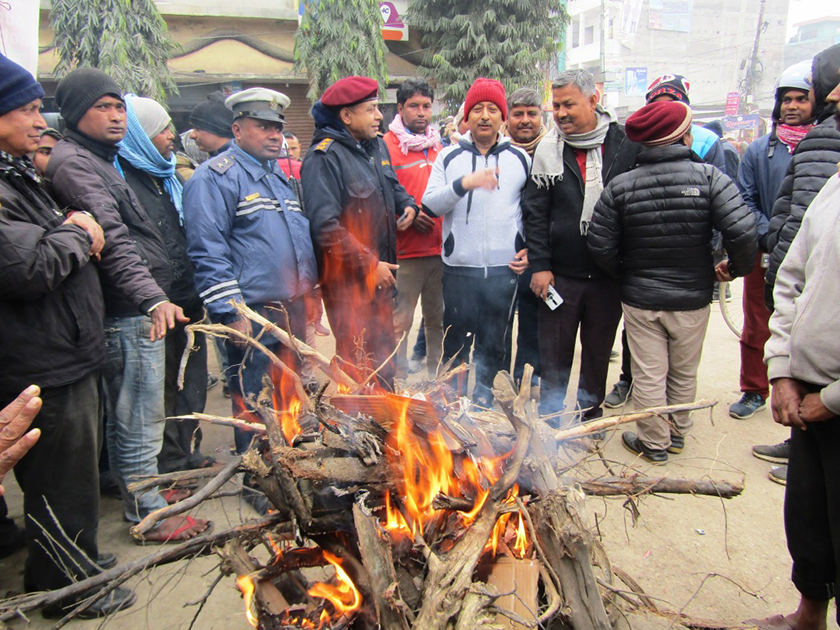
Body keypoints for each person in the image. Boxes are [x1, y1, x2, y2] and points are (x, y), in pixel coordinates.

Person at [46, 67, 210, 543]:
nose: (117, 117)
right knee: (139, 415)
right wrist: (151, 297)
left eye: (120, 107)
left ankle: (142, 493)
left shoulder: (98, 158)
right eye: (103, 107)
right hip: (127, 311)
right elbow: (114, 240)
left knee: (132, 413)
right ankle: (148, 511)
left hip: (132, 307)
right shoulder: (77, 164)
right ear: (77, 114)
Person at [0, 54, 136, 614]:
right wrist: (80, 234)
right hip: (41, 362)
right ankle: (65, 587)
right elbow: (25, 267)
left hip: (64, 350)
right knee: (62, 478)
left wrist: (73, 232)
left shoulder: (17, 173)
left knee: (72, 475)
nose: (40, 121)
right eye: (28, 109)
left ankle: (74, 557)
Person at [588, 100, 756, 463]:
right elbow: (743, 231)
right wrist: (734, 267)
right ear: (684, 136)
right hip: (692, 297)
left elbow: (599, 244)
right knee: (683, 370)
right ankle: (677, 434)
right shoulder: (710, 179)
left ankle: (654, 443)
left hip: (641, 298)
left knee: (649, 374)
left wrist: (625, 272)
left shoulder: (621, 185)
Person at [184, 87, 318, 457]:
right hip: (252, 311)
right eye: (263, 127)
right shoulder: (214, 178)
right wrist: (231, 312)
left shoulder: (279, 178)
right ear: (238, 130)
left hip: (290, 308)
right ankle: (257, 477)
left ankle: (290, 463)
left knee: (288, 393)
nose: (274, 135)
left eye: (277, 128)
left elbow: (297, 242)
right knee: (255, 397)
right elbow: (207, 251)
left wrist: (310, 296)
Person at [759, 74, 840, 630]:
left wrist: (834, 399)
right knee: (809, 520)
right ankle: (809, 613)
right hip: (806, 396)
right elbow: (792, 279)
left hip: (833, 401)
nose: (831, 106)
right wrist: (783, 370)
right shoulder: (834, 187)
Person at [522, 69, 642, 426]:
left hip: (608, 275)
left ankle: (590, 417)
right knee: (554, 354)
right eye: (555, 106)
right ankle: (550, 418)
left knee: (597, 352)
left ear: (593, 100)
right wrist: (540, 265)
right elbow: (535, 214)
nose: (560, 114)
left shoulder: (624, 143)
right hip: (561, 276)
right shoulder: (548, 149)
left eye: (568, 104)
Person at [605, 72, 730, 409]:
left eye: (671, 105)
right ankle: (671, 431)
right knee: (661, 365)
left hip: (679, 277)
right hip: (655, 280)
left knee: (662, 368)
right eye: (656, 105)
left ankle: (656, 439)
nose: (663, 112)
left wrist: (718, 257)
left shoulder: (707, 148)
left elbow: (728, 215)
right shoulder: (633, 147)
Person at [116, 95, 212, 476]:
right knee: (163, 389)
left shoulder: (165, 176)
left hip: (186, 297)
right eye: (162, 130)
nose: (172, 136)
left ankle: (187, 451)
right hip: (155, 305)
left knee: (191, 380)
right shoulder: (124, 180)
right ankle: (169, 464)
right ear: (139, 136)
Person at [301, 76, 417, 388]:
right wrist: (368, 264)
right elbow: (325, 227)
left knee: (383, 360)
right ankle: (358, 428)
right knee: (358, 363)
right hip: (349, 289)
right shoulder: (323, 159)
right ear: (346, 116)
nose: (380, 116)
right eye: (372, 109)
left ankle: (388, 426)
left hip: (380, 281)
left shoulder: (375, 145)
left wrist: (407, 204)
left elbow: (390, 183)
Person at [422, 78, 530, 406]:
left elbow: (529, 212)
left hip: (503, 270)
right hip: (459, 268)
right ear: (466, 117)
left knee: (494, 345)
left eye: (493, 109)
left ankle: (483, 408)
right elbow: (430, 204)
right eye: (477, 109)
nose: (485, 116)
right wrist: (465, 183)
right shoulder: (448, 157)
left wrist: (528, 248)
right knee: (456, 343)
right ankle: (453, 408)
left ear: (503, 118)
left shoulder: (520, 158)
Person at [728, 61, 815, 426]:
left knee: (809, 326)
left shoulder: (822, 145)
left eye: (801, 99)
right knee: (758, 323)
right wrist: (768, 236)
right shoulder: (758, 150)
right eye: (786, 100)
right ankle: (754, 389)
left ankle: (808, 396)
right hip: (765, 250)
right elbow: (746, 200)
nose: (792, 106)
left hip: (814, 253)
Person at [383, 77, 444, 379]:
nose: (421, 112)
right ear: (400, 108)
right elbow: (381, 194)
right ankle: (399, 381)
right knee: (400, 323)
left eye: (426, 106)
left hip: (439, 252)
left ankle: (437, 379)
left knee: (437, 321)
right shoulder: (386, 147)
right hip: (404, 254)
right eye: (414, 106)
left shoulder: (439, 146)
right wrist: (406, 212)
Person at [504, 87, 547, 387]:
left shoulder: (554, 151)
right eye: (518, 113)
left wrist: (535, 249)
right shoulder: (496, 152)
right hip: (503, 254)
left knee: (533, 324)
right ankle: (499, 382)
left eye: (532, 113)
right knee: (501, 322)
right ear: (507, 118)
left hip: (538, 255)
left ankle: (526, 383)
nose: (525, 120)